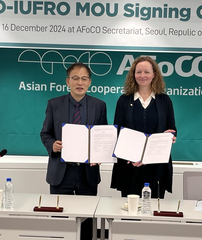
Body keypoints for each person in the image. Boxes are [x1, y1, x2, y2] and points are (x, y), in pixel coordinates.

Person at [40, 62, 107, 239]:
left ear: (90, 82)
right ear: (67, 81)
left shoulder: (99, 105)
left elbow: (103, 136)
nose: (80, 82)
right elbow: (45, 133)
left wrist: (100, 154)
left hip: (88, 173)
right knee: (60, 220)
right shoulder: (54, 104)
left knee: (87, 221)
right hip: (61, 172)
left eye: (84, 78)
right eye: (75, 78)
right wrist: (52, 145)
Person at [110, 56, 177, 199]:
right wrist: (131, 155)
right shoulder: (124, 100)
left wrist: (170, 136)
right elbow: (118, 132)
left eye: (146, 72)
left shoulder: (164, 101)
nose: (142, 76)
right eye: (138, 72)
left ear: (154, 74)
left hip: (156, 166)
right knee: (130, 212)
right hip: (130, 166)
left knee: (153, 214)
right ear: (133, 75)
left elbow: (172, 128)